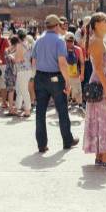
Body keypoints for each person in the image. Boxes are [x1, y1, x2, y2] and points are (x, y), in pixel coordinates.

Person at [30, 15, 78, 153]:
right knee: (62, 110)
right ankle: (67, 140)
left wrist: (35, 78)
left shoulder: (38, 40)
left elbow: (34, 62)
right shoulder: (59, 41)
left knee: (40, 112)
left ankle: (41, 144)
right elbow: (62, 63)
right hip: (56, 78)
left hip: (40, 76)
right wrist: (68, 81)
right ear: (57, 26)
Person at [83, 12, 106, 169]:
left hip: (102, 83)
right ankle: (105, 158)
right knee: (104, 120)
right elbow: (98, 69)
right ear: (97, 24)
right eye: (105, 20)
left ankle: (100, 156)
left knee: (100, 119)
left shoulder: (100, 41)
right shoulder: (97, 41)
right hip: (101, 85)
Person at [9, 29, 32, 117]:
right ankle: (17, 108)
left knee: (23, 90)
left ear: (18, 36)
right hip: (28, 69)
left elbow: (18, 59)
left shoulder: (19, 45)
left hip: (22, 70)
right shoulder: (27, 44)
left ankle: (27, 110)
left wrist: (12, 57)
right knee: (20, 89)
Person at [64, 33, 84, 108]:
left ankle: (80, 104)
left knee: (78, 90)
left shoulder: (78, 50)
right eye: (68, 41)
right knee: (66, 90)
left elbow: (82, 63)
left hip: (75, 74)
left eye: (71, 41)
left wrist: (82, 74)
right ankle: (66, 104)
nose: (70, 43)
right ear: (65, 41)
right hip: (66, 74)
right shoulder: (62, 49)